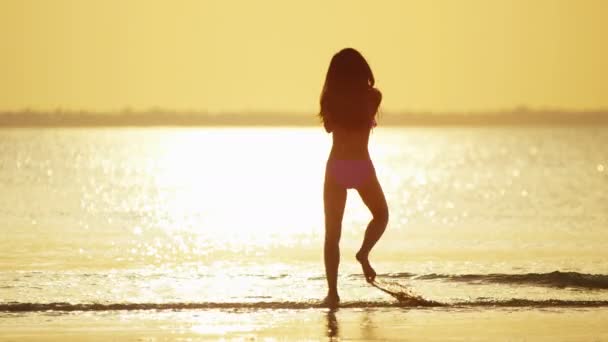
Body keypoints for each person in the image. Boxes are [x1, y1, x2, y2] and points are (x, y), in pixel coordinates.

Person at [319, 48, 389, 306]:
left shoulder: (329, 99)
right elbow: (366, 112)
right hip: (361, 166)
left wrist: (334, 99)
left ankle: (333, 293)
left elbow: (328, 128)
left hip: (337, 166)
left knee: (332, 236)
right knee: (381, 215)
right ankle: (364, 253)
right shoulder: (373, 97)